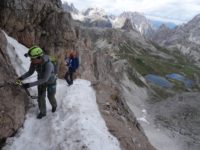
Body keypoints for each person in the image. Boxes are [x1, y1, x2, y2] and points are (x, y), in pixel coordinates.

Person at [17, 46, 57, 119]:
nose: (31, 60)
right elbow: (30, 72)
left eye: (32, 58)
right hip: (40, 81)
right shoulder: (34, 63)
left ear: (39, 57)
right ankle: (43, 112)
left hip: (51, 81)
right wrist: (21, 78)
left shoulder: (49, 65)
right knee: (41, 98)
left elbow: (44, 79)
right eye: (31, 58)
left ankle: (54, 105)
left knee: (50, 96)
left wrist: (29, 85)